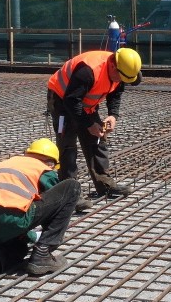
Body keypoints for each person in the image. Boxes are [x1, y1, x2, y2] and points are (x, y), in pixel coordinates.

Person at [0, 138, 80, 284]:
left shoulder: (8, 163)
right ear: (51, 162)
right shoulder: (42, 168)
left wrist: (29, 236)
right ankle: (42, 254)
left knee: (18, 249)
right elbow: (56, 200)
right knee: (71, 187)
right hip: (10, 218)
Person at [47, 48, 141, 210]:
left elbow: (116, 92)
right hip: (63, 100)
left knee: (97, 139)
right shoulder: (88, 71)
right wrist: (89, 124)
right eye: (120, 77)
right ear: (113, 66)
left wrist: (113, 115)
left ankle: (104, 183)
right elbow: (71, 100)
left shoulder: (123, 70)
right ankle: (69, 194)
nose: (121, 80)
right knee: (67, 146)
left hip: (85, 104)